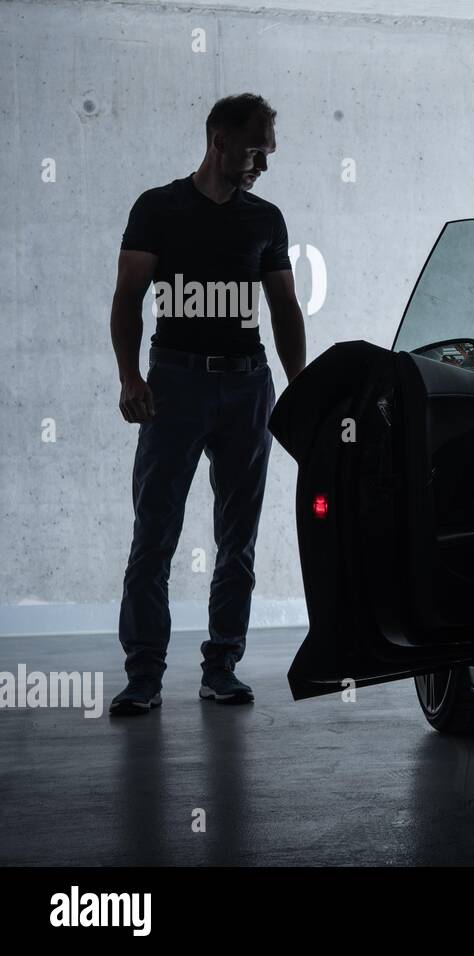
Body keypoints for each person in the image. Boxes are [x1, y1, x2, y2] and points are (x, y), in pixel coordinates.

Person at [108, 93, 306, 716]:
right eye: (255, 151)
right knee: (155, 535)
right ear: (219, 140)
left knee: (238, 539)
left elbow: (284, 310)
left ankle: (221, 666)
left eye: (269, 154)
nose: (262, 166)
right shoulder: (158, 208)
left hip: (248, 388)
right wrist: (129, 378)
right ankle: (143, 674)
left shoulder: (265, 219)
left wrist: (300, 388)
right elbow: (126, 300)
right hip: (176, 386)